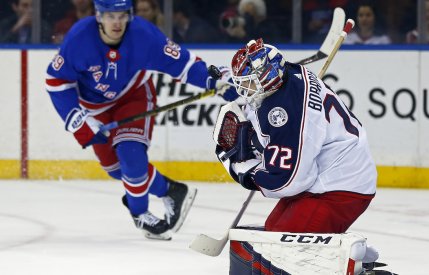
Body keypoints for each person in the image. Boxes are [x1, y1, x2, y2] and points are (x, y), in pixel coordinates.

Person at [45, 0, 237, 240]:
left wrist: (213, 81)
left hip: (132, 96)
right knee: (116, 170)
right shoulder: (79, 38)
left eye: (122, 15)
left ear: (129, 15)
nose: (116, 22)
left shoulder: (144, 35)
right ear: (98, 16)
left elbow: (183, 64)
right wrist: (79, 120)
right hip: (93, 109)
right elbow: (56, 81)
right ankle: (171, 190)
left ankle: (140, 214)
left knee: (131, 154)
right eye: (110, 16)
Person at [214, 38, 377, 236]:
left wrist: (246, 172)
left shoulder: (286, 113)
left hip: (342, 186)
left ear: (267, 77)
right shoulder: (288, 73)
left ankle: (355, 259)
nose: (245, 90)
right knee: (273, 227)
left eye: (248, 84)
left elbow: (288, 182)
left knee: (283, 242)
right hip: (326, 172)